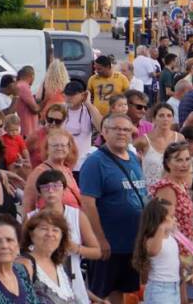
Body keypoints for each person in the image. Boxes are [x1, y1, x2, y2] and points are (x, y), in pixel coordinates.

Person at [80, 113, 147, 304]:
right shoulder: (95, 162)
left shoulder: (134, 158)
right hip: (109, 243)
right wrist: (99, 239)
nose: (122, 133)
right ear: (104, 132)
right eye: (116, 129)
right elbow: (88, 203)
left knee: (122, 291)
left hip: (131, 243)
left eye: (126, 129)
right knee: (100, 294)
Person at [27, 169, 101, 304]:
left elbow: (96, 252)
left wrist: (76, 248)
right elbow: (23, 249)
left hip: (74, 279)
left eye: (56, 186)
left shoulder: (76, 215)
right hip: (42, 282)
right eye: (46, 187)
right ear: (39, 192)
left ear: (64, 189)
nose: (51, 190)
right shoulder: (31, 218)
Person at [17, 210, 76, 304]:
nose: (50, 234)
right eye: (44, 229)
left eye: (55, 230)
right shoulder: (24, 265)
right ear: (31, 234)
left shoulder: (59, 265)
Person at [132, 198, 181, 304]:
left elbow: (173, 259)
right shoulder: (151, 238)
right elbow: (153, 252)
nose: (175, 219)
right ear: (159, 219)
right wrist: (161, 228)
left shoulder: (171, 237)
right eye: (171, 217)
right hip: (159, 288)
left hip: (174, 286)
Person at [22, 129, 82, 214]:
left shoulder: (67, 170)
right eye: (55, 145)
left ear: (69, 148)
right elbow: (28, 206)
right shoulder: (39, 172)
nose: (59, 148)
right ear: (47, 149)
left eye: (63, 145)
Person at [148, 142, 193, 239]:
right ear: (168, 163)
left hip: (186, 244)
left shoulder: (182, 184)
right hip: (174, 245)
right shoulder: (167, 188)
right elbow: (164, 224)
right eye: (179, 160)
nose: (185, 165)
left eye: (187, 159)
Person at [135, 103, 184, 188]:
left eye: (169, 116)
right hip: (149, 192)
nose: (165, 119)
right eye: (161, 115)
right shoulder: (143, 140)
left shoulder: (179, 138)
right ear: (154, 119)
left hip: (173, 189)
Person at [62, 80, 103, 176]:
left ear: (83, 95)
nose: (69, 98)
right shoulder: (60, 109)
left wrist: (88, 103)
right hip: (63, 163)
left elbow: (102, 127)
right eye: (67, 94)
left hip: (82, 164)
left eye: (73, 95)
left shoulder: (88, 110)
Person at [25, 103, 76, 170]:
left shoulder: (67, 138)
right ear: (46, 118)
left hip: (59, 176)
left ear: (63, 121)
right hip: (38, 176)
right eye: (50, 120)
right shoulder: (35, 136)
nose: (53, 123)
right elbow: (22, 152)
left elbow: (72, 159)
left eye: (57, 121)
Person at [0, 113, 31, 179]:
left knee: (24, 172)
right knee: (11, 175)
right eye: (11, 130)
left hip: (18, 160)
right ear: (5, 129)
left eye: (16, 130)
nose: (14, 132)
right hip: (8, 163)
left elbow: (24, 150)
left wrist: (27, 159)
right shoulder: (2, 138)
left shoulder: (19, 138)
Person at [15, 66, 41, 139]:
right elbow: (34, 109)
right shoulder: (23, 86)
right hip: (27, 129)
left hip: (23, 128)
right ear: (32, 76)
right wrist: (44, 102)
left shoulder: (18, 84)